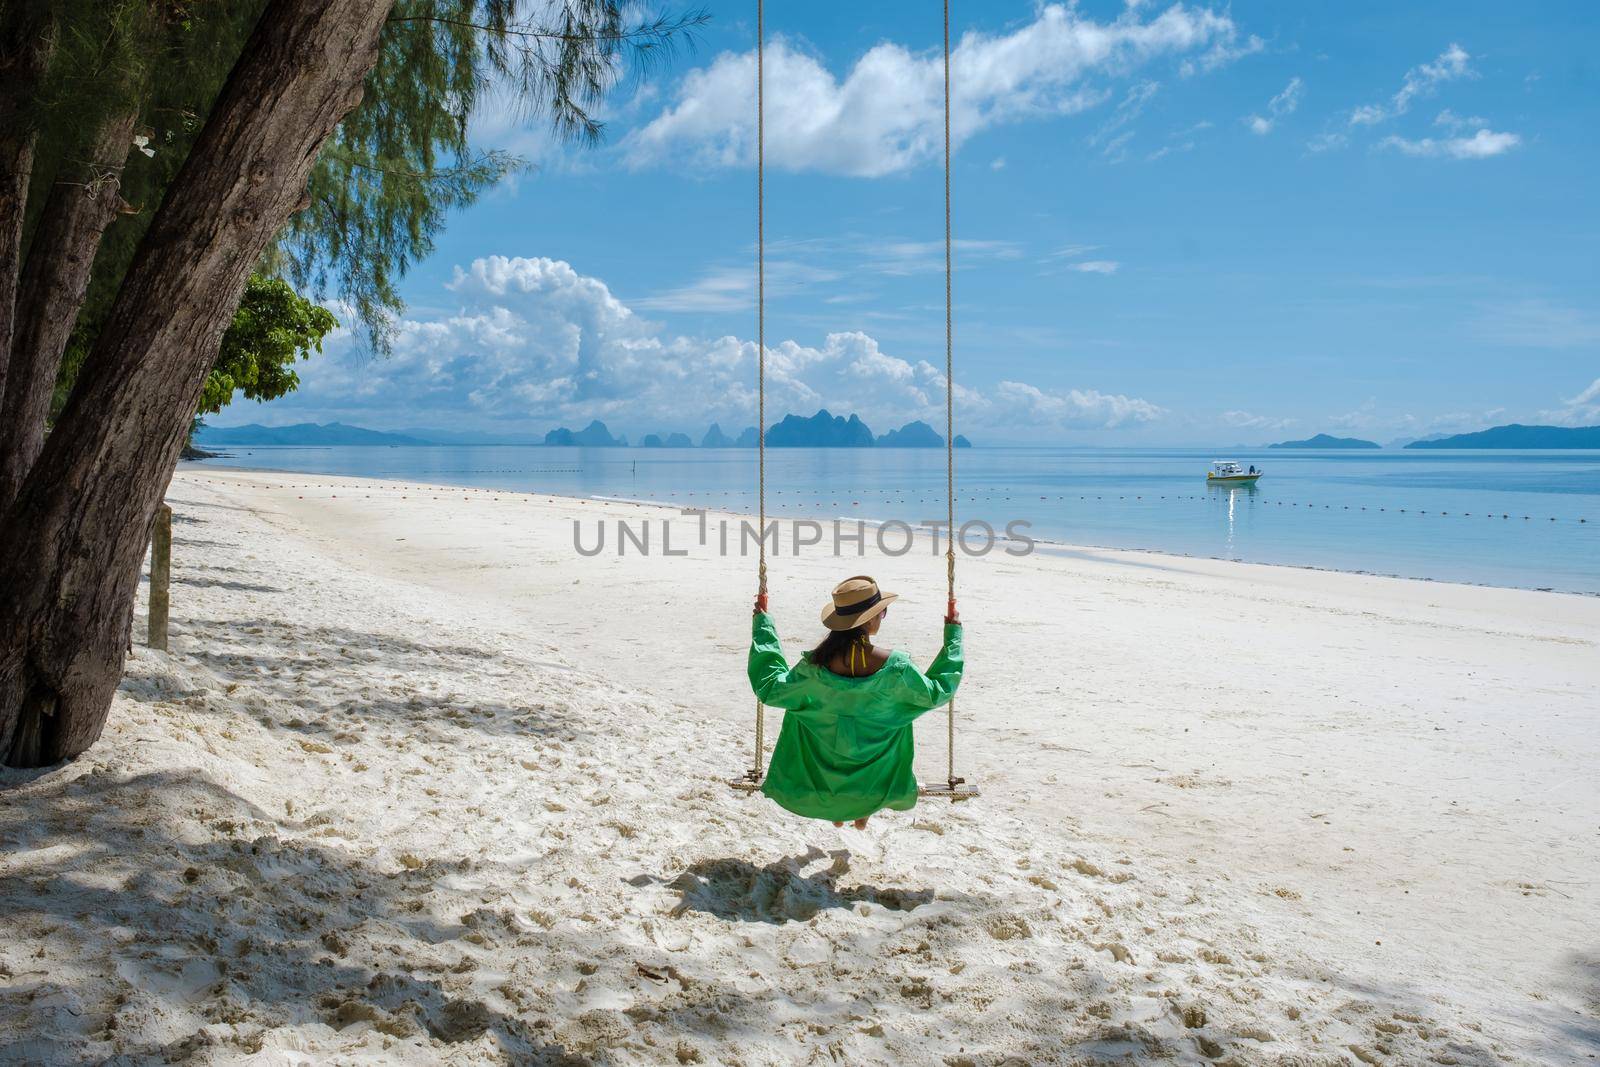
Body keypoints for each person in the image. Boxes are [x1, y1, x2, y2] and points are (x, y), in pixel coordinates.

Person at [748, 575, 963, 828]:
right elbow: (939, 691)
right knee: (894, 717)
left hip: (818, 780)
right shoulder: (897, 670)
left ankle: (841, 804)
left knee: (801, 709)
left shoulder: (813, 669)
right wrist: (953, 635)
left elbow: (770, 687)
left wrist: (763, 626)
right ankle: (859, 806)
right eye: (882, 614)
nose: (881, 619)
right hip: (874, 782)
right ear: (871, 619)